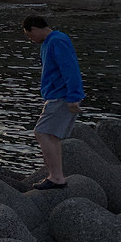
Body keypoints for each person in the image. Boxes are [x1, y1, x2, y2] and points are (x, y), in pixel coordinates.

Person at [21, 15, 84, 190]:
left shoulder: (57, 41)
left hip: (61, 97)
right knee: (52, 136)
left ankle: (56, 177)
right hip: (57, 95)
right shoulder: (49, 42)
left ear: (34, 28)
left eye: (28, 35)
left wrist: (73, 97)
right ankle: (57, 177)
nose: (30, 39)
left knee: (41, 132)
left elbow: (70, 68)